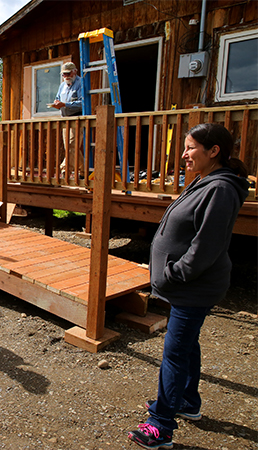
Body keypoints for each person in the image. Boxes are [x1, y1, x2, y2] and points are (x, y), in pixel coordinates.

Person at [128, 123, 249, 449]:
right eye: (184, 147)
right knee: (185, 344)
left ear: (214, 152)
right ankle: (187, 402)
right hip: (187, 285)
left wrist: (172, 274)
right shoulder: (207, 182)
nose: (184, 155)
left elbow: (206, 247)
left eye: (191, 148)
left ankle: (161, 426)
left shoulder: (220, 189)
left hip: (195, 286)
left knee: (175, 352)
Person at [50, 61, 85, 176]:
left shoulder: (81, 83)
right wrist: (56, 103)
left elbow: (82, 103)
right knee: (70, 147)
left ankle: (65, 170)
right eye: (63, 74)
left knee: (71, 145)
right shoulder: (62, 85)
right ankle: (83, 170)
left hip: (77, 118)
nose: (65, 76)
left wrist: (65, 105)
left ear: (75, 72)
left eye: (68, 73)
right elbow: (57, 98)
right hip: (65, 119)